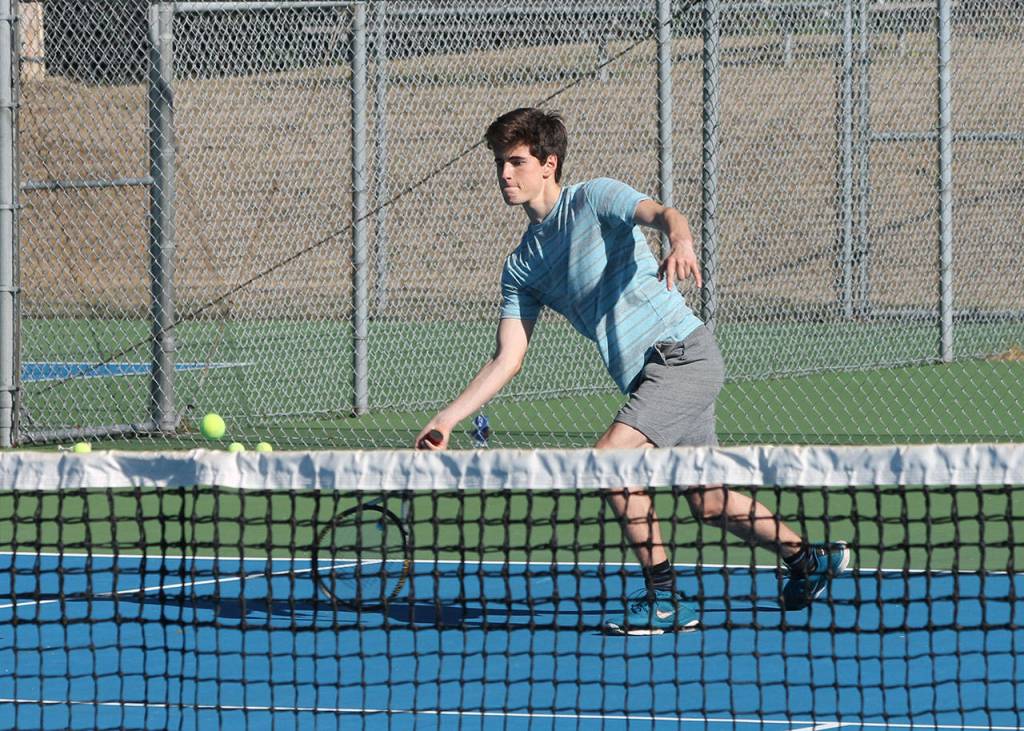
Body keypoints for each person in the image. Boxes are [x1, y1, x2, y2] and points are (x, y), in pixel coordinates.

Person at [415, 107, 849, 635]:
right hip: (651, 379)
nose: (504, 174)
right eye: (500, 164)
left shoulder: (595, 197)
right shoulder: (521, 265)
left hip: (682, 355)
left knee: (610, 463)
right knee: (709, 501)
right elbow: (509, 357)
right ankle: (809, 560)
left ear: (548, 164)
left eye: (516, 162)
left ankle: (664, 599)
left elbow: (665, 214)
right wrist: (448, 418)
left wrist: (681, 241)